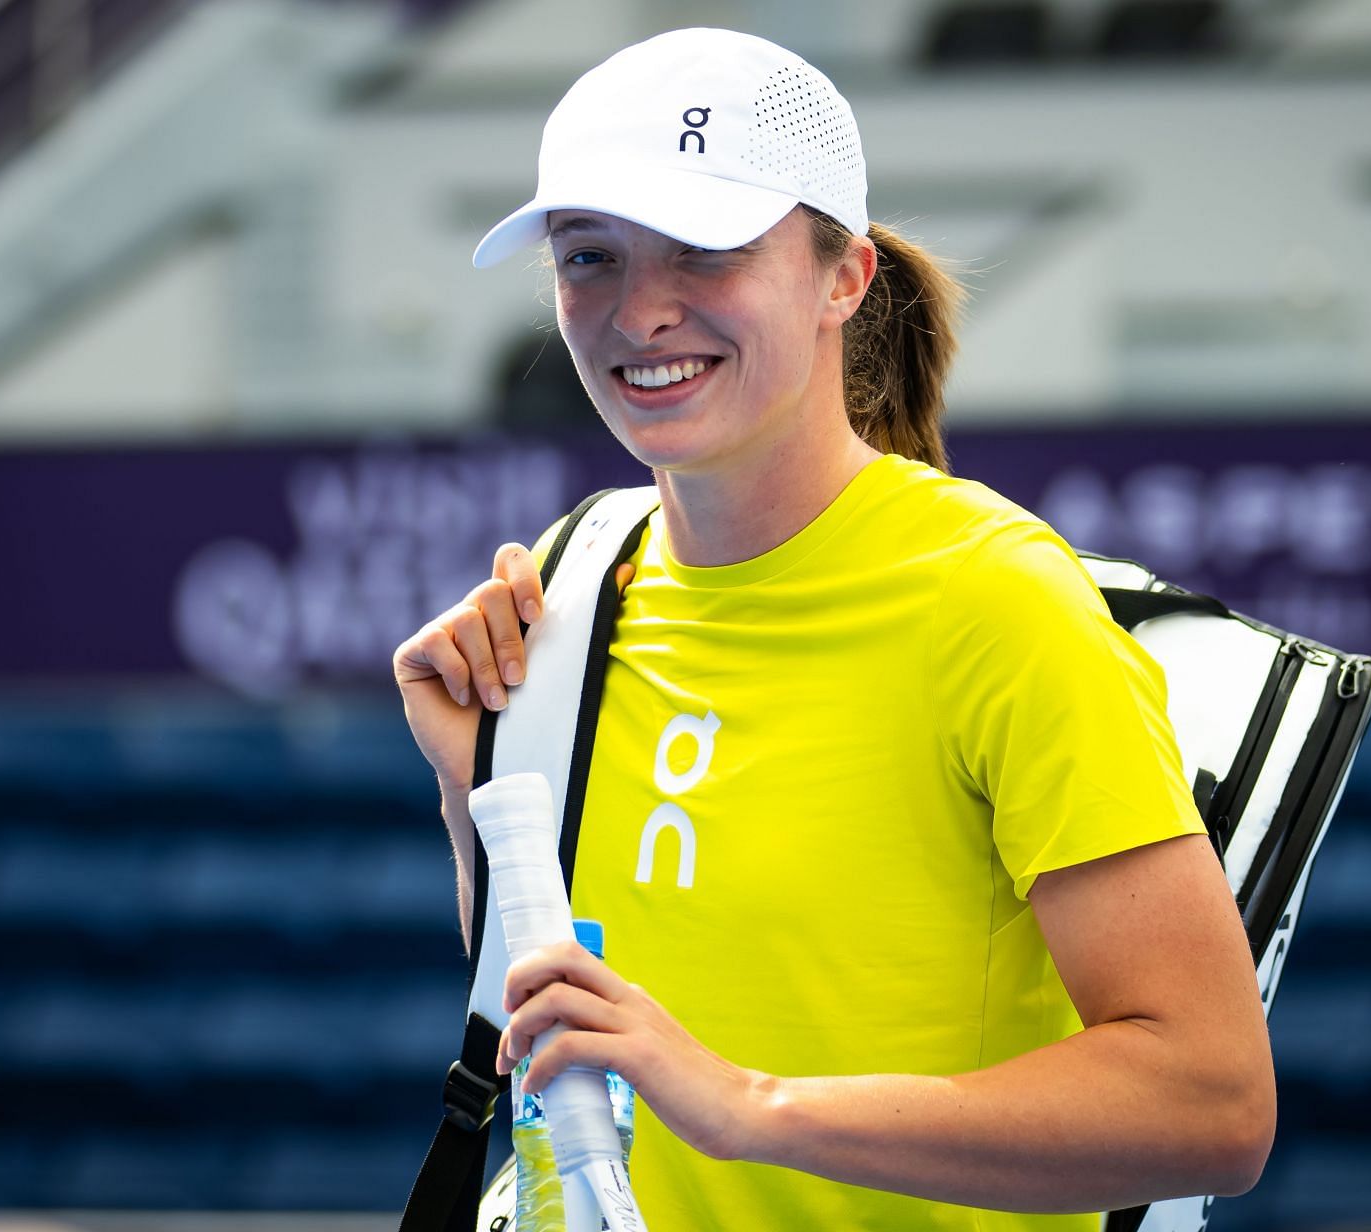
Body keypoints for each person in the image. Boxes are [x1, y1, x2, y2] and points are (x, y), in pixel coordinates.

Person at [392, 27, 1274, 1230]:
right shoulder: (574, 572)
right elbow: (557, 1029)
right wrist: (477, 784)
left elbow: (1213, 1105)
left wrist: (750, 1103)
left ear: (843, 277)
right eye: (589, 255)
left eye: (705, 250)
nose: (639, 312)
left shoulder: (993, 599)